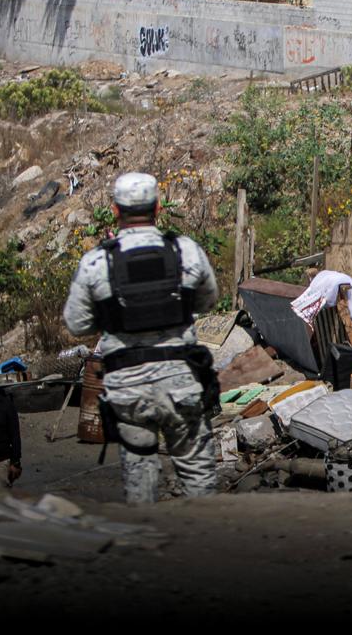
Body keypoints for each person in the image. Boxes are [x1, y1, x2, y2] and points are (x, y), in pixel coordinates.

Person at [62, 172, 220, 505]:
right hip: (181, 386)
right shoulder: (185, 251)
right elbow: (208, 302)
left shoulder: (96, 262)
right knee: (199, 480)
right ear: (159, 208)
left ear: (115, 211)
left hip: (128, 391)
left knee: (140, 485)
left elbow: (76, 324)